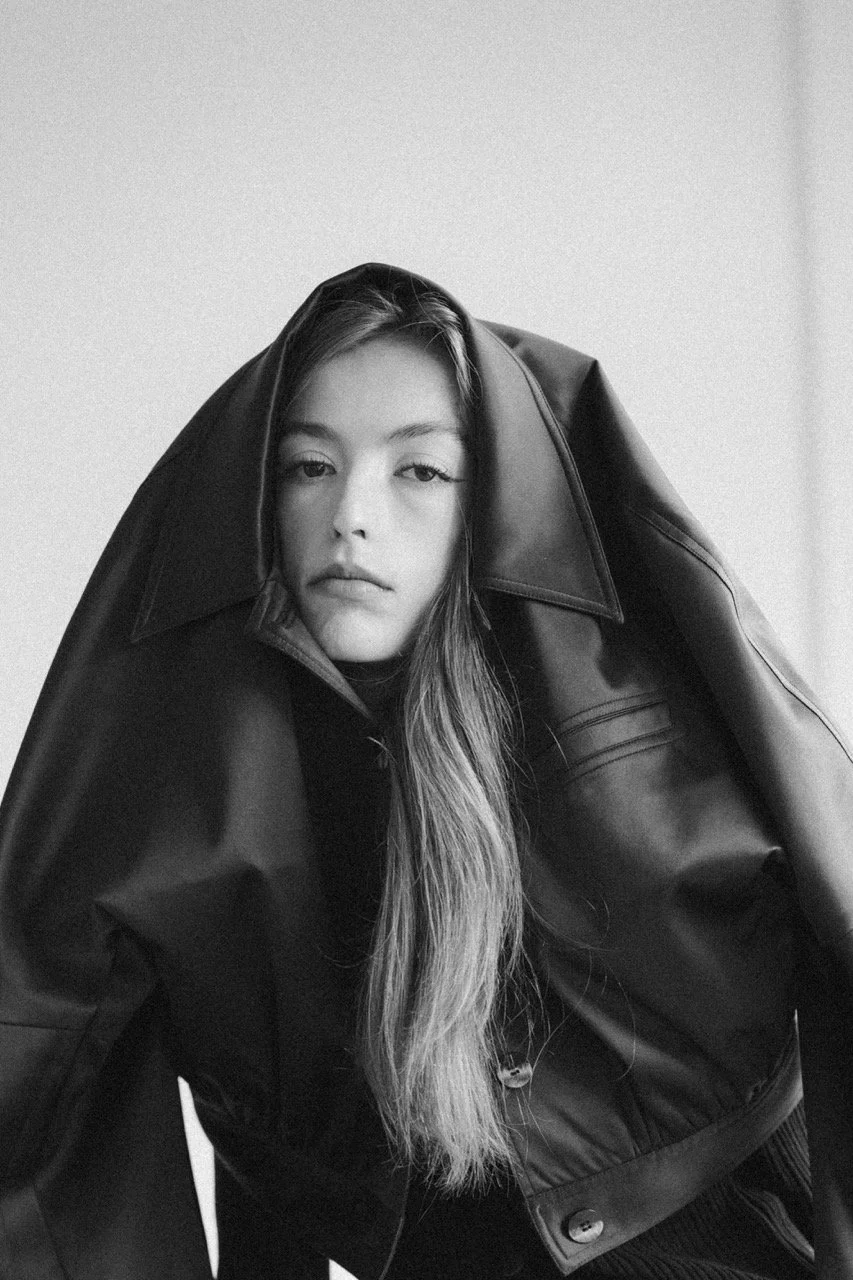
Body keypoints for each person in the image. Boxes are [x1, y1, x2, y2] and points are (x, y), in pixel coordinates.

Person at [1, 263, 851, 1280]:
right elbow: (85, 1054)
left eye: (419, 471)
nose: (350, 514)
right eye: (306, 466)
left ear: (490, 503)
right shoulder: (195, 762)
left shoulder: (639, 698)